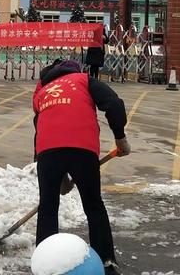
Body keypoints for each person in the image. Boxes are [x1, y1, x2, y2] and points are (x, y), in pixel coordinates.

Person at [32, 59, 131, 275]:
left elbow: (39, 128)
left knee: (47, 208)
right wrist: (120, 137)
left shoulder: (43, 92)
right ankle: (106, 262)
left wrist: (56, 176)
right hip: (82, 149)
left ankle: (44, 265)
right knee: (93, 205)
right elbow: (113, 104)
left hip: (47, 151)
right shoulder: (84, 80)